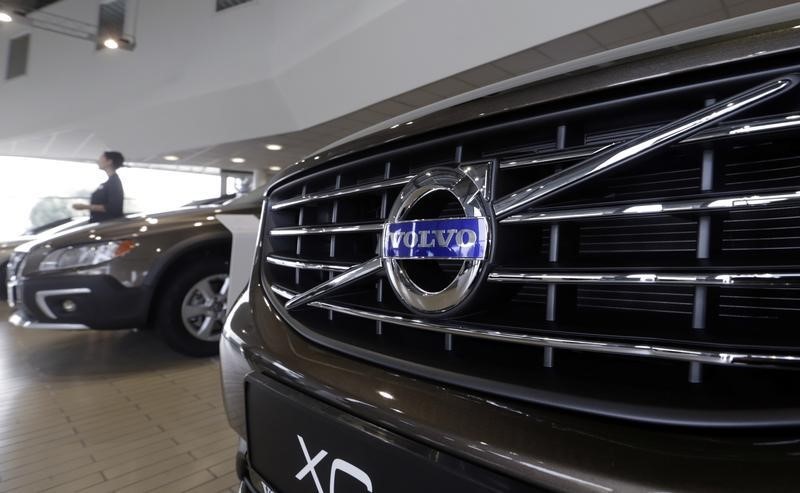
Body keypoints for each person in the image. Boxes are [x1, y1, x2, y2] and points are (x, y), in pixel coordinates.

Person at [73, 151, 125, 222]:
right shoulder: (109, 182)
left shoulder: (114, 182)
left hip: (106, 226)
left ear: (109, 161)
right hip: (101, 223)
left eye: (101, 158)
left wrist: (84, 206)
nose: (98, 161)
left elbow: (113, 208)